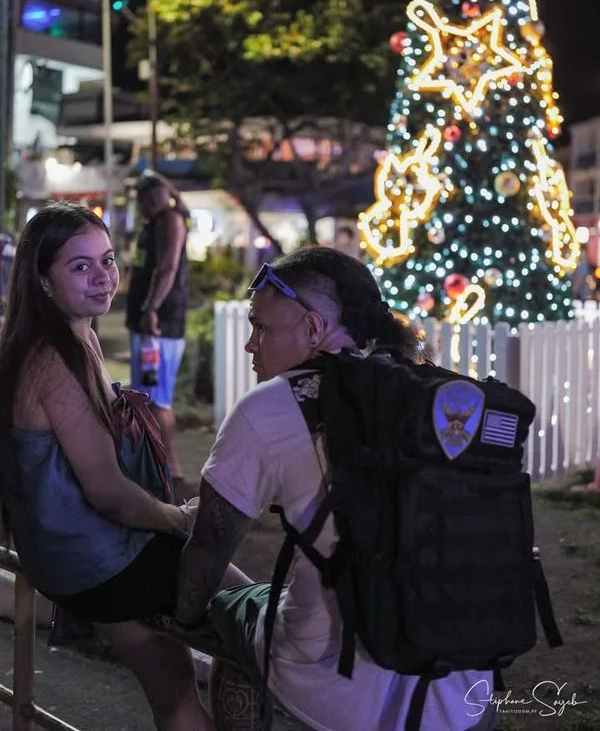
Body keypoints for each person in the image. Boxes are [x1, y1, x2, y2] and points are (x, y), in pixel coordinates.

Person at [176, 246, 497, 731]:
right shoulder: (430, 392)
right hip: (465, 690)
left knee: (232, 618)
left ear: (312, 329)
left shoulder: (267, 408)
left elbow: (208, 548)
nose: (250, 344)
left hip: (341, 688)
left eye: (261, 327)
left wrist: (183, 617)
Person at [0, 203, 212, 731]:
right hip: (91, 556)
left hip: (72, 548)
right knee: (245, 610)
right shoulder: (53, 359)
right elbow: (107, 492)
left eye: (109, 260)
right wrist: (180, 518)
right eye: (81, 266)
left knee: (179, 680)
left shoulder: (77, 337)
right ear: (44, 281)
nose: (104, 278)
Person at [125, 171, 190, 498]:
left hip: (159, 325)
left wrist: (151, 308)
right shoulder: (162, 219)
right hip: (151, 323)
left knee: (156, 397)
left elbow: (167, 266)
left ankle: (170, 466)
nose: (142, 205)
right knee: (148, 395)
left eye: (144, 198)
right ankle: (158, 464)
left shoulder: (170, 220)